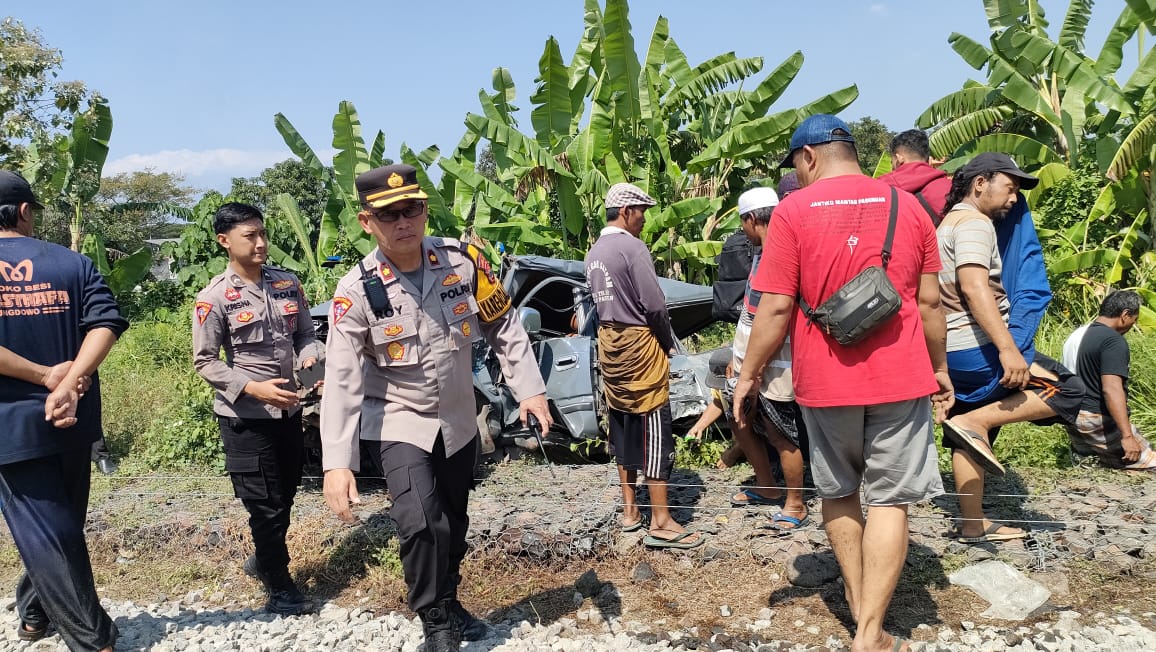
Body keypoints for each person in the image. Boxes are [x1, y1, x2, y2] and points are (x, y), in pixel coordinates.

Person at [734, 115, 953, 652]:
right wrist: (940, 368)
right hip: (901, 378)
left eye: (796, 164)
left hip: (825, 382)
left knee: (839, 493)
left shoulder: (792, 213)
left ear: (808, 156)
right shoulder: (910, 208)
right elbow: (930, 303)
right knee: (891, 503)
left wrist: (748, 374)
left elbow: (775, 308)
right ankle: (870, 631)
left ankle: (861, 618)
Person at [320, 164, 551, 651]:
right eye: (390, 214)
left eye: (413, 209)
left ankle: (448, 597)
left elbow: (502, 325)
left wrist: (529, 389)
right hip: (398, 418)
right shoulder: (355, 291)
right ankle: (436, 622)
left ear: (425, 210)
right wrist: (337, 463)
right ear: (367, 222)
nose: (404, 221)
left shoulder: (464, 262)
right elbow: (341, 380)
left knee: (452, 520)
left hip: (459, 418)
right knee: (420, 520)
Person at [0, 170, 125, 651]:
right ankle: (44, 618)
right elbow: (106, 322)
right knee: (60, 524)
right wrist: (71, 381)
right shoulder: (72, 263)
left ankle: (88, 638)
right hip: (74, 417)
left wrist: (46, 377)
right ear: (24, 211)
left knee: (48, 530)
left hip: (12, 427)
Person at [936, 153, 1085, 543]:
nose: (1015, 198)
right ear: (979, 183)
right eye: (1010, 187)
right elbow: (974, 287)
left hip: (953, 351)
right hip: (980, 347)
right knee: (1069, 391)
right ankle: (975, 422)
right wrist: (1007, 349)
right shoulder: (975, 223)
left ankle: (972, 524)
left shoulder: (945, 224)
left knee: (966, 427)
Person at [192, 202, 323, 616]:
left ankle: (263, 560)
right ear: (224, 241)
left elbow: (306, 334)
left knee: (285, 495)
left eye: (263, 233)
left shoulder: (287, 284)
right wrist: (252, 388)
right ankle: (280, 586)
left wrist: (310, 357)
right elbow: (205, 361)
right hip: (246, 420)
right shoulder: (214, 297)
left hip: (289, 413)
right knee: (264, 504)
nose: (261, 243)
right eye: (250, 236)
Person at [585, 182, 704, 550]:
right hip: (639, 344)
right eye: (641, 212)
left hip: (610, 345)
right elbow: (654, 305)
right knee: (653, 424)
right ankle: (662, 520)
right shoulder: (632, 248)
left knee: (621, 421)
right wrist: (667, 342)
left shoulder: (594, 252)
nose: (644, 219)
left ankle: (630, 510)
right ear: (626, 212)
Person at [722, 187, 809, 531]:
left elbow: (772, 318)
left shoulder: (779, 252)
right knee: (739, 417)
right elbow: (750, 314)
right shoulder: (763, 251)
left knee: (780, 432)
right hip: (752, 361)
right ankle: (767, 484)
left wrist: (753, 369)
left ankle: (796, 503)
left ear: (750, 219)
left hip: (774, 363)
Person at [1061, 290, 1156, 470]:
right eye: (1134, 319)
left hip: (1071, 416)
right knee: (1149, 464)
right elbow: (1111, 389)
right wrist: (1127, 436)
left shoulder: (1077, 335)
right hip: (1095, 419)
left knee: (1100, 469)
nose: (1133, 325)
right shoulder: (1112, 341)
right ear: (1125, 315)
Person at [878, 129, 951, 225]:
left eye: (892, 162)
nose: (892, 168)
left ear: (899, 158)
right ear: (928, 159)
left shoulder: (883, 188)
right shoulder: (951, 186)